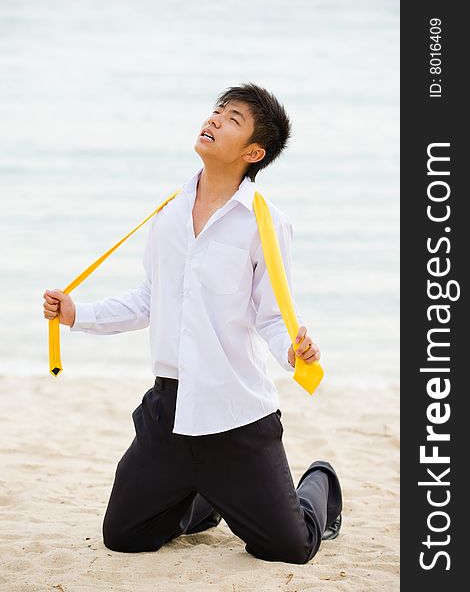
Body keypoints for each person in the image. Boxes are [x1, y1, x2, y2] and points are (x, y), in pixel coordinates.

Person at [42, 83, 342, 564]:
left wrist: (293, 349)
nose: (216, 119)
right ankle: (205, 498)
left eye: (234, 119)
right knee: (124, 536)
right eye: (217, 111)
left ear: (253, 152)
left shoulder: (264, 224)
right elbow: (148, 299)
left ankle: (318, 482)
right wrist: (79, 314)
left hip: (236, 415)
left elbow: (271, 315)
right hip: (170, 412)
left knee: (290, 547)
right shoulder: (168, 214)